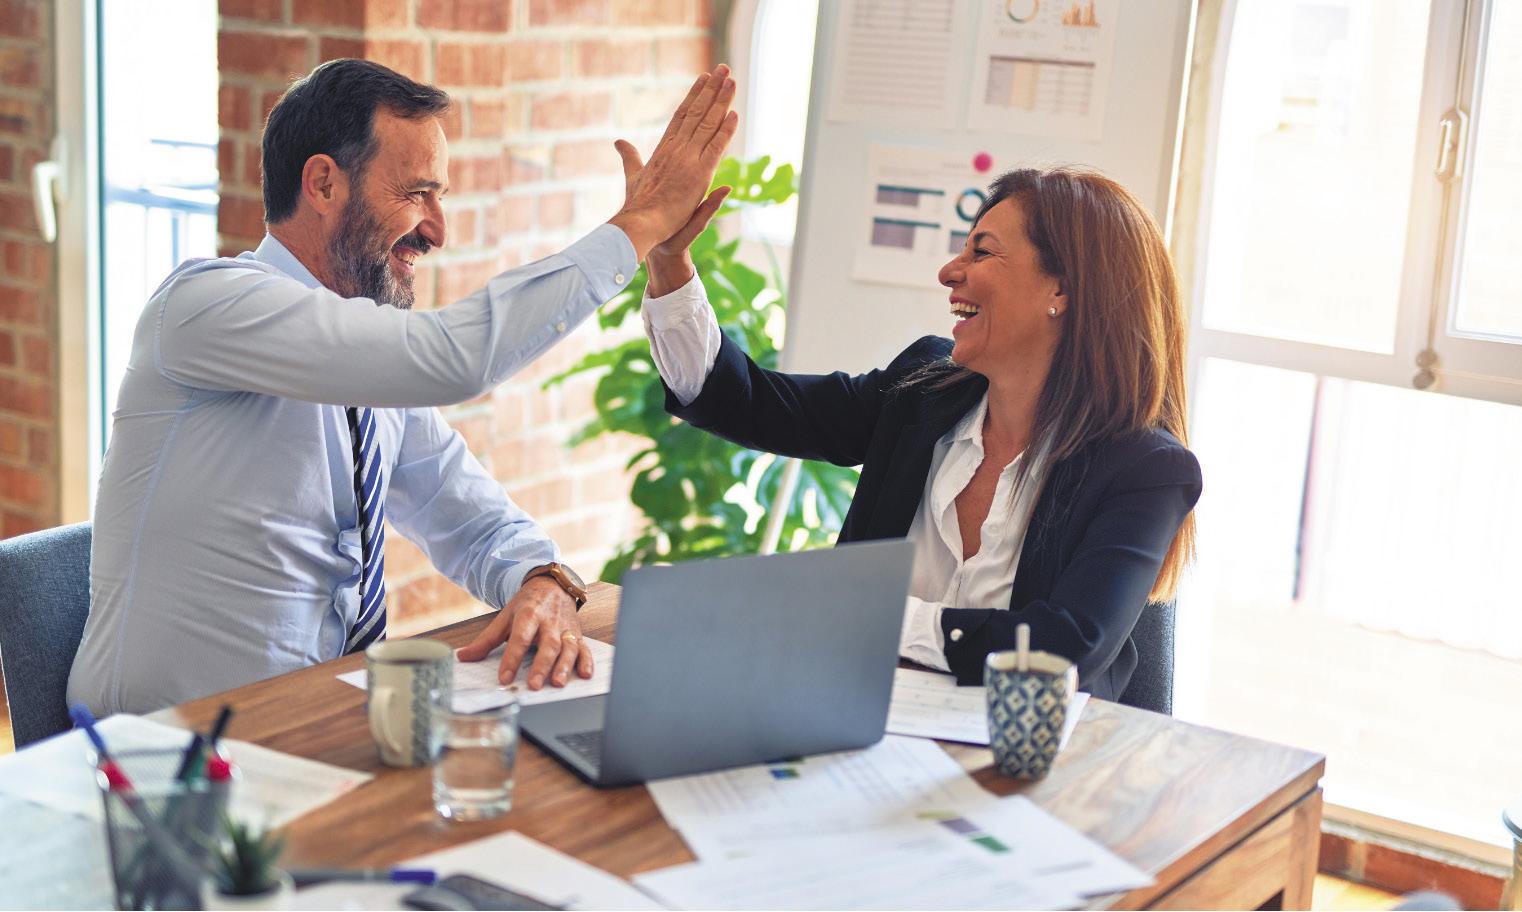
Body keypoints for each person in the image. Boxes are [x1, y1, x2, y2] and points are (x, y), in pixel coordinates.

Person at [67, 58, 738, 715]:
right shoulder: (207, 306)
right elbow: (453, 359)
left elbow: (468, 515)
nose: (437, 230)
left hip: (313, 726)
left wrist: (543, 578)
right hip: (159, 751)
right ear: (323, 184)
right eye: (418, 193)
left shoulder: (367, 368)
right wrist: (640, 225)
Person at [639, 167, 1201, 701]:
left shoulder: (1145, 469)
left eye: (981, 252)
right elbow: (749, 403)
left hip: (1029, 758)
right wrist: (668, 259)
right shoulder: (922, 391)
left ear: (1062, 290)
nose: (949, 272)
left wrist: (874, 616)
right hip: (857, 724)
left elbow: (1063, 648)